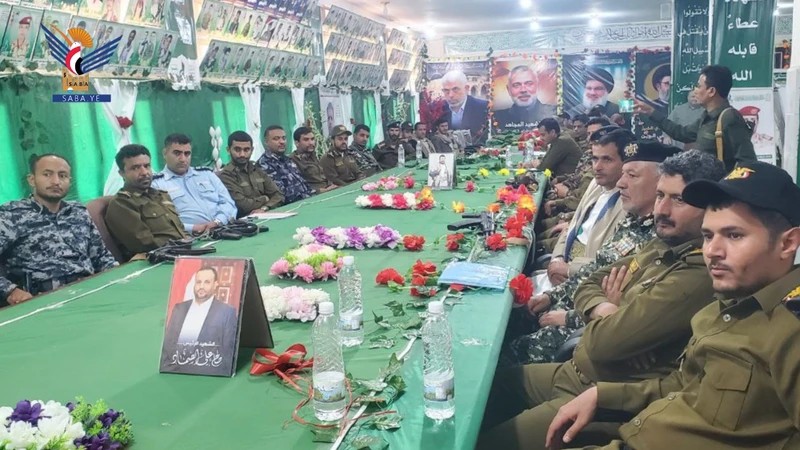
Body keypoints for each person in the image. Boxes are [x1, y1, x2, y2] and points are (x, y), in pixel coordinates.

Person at [481, 148, 725, 450]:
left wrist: (610, 320)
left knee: (491, 443)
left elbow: (603, 344)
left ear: (711, 208)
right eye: (661, 195)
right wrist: (610, 310)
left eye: (678, 200)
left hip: (605, 393)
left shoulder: (697, 272)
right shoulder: (664, 244)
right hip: (575, 372)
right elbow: (590, 283)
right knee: (485, 390)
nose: (662, 209)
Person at [546, 161, 800, 450]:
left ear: (787, 243)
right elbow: (686, 388)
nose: (712, 251)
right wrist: (603, 396)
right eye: (708, 236)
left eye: (734, 235)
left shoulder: (790, 330)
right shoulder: (726, 306)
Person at [0, 155, 117, 307]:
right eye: (47, 174)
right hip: (40, 301)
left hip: (89, 292)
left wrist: (120, 276)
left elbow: (101, 256)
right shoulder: (11, 215)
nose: (56, 181)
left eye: (62, 176)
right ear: (32, 179)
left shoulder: (78, 212)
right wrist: (10, 291)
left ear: (70, 181)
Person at [545, 128, 631, 283]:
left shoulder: (630, 201)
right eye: (595, 159)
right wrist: (557, 258)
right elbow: (571, 228)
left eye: (607, 160)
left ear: (626, 163)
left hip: (586, 281)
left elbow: (616, 265)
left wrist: (569, 269)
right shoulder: (595, 184)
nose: (597, 167)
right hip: (562, 265)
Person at [636, 65, 757, 171]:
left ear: (711, 91)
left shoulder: (729, 118)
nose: (695, 91)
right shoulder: (706, 117)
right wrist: (651, 112)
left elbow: (747, 161)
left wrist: (728, 185)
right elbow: (681, 133)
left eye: (699, 86)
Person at [105, 145, 186, 260]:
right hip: (159, 259)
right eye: (135, 168)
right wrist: (181, 243)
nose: (144, 172)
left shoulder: (160, 196)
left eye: (147, 166)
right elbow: (144, 244)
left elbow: (180, 230)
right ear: (121, 173)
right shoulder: (122, 203)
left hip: (183, 250)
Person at [151, 134, 237, 235]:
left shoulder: (206, 174)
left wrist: (218, 221)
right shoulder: (156, 184)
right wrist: (193, 228)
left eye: (187, 154)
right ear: (165, 153)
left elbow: (228, 203)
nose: (183, 159)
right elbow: (162, 221)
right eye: (177, 153)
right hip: (190, 237)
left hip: (224, 229)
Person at [161, 266, 238, 376]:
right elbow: (168, 344)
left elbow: (227, 352)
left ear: (215, 284)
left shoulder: (226, 312)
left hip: (207, 372)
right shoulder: (179, 308)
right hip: (174, 369)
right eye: (198, 282)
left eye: (207, 282)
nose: (201, 286)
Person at [218, 131, 284, 218]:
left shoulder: (257, 169)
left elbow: (278, 195)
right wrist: (265, 198)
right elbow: (243, 205)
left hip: (265, 214)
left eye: (246, 150)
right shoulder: (226, 175)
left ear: (252, 150)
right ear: (228, 150)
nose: (242, 154)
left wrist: (265, 208)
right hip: (243, 221)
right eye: (237, 150)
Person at [257, 125, 314, 203]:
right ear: (266, 142)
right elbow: (281, 194)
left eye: (284, 138)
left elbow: (303, 183)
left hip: (307, 200)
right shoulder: (264, 164)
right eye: (276, 139)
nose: (282, 142)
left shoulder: (287, 160)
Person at [438, 70, 489, 141]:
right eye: (446, 91)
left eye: (455, 89)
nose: (450, 95)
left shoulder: (484, 107)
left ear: (466, 89)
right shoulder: (439, 109)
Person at [290, 126, 337, 194]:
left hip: (328, 190)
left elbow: (323, 177)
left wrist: (331, 186)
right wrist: (319, 191)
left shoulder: (312, 155)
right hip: (315, 195)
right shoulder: (292, 160)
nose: (311, 143)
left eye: (312, 139)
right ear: (297, 143)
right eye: (306, 140)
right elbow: (298, 187)